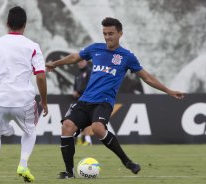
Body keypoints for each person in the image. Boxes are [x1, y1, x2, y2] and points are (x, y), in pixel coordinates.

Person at [46, 17, 184, 179]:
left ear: (120, 34)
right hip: (85, 101)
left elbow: (146, 77)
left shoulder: (127, 57)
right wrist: (54, 64)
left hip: (104, 102)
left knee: (98, 129)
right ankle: (69, 173)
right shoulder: (95, 48)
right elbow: (75, 57)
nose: (107, 37)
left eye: (111, 33)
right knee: (67, 126)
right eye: (105, 33)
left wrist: (167, 90)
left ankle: (126, 161)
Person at [0, 6, 48, 183]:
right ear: (25, 25)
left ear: (6, 23)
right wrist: (44, 101)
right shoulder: (32, 46)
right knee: (30, 131)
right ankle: (23, 164)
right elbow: (40, 75)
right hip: (23, 101)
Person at [73, 60, 93, 146]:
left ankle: (88, 140)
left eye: (82, 61)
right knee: (78, 119)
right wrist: (75, 91)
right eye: (79, 61)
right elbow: (75, 85)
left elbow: (90, 85)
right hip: (79, 99)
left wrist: (78, 91)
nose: (80, 63)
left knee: (86, 119)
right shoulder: (77, 73)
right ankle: (80, 138)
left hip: (88, 99)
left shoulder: (89, 71)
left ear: (86, 62)